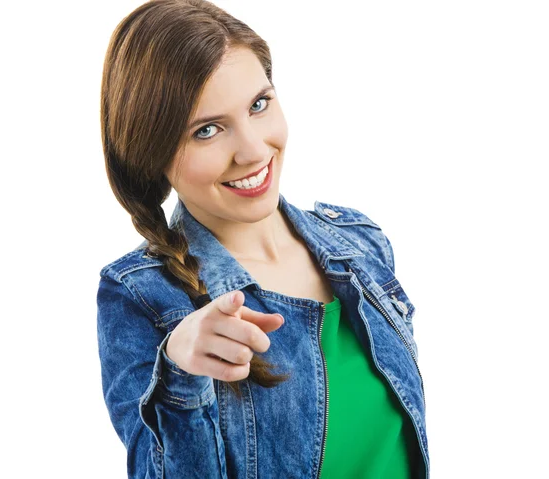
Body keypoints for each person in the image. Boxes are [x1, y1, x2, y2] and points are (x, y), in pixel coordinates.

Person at [96, 1, 429, 477]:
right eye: (206, 131)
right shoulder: (141, 297)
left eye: (259, 104)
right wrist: (179, 375)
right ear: (152, 154)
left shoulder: (360, 242)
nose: (253, 151)